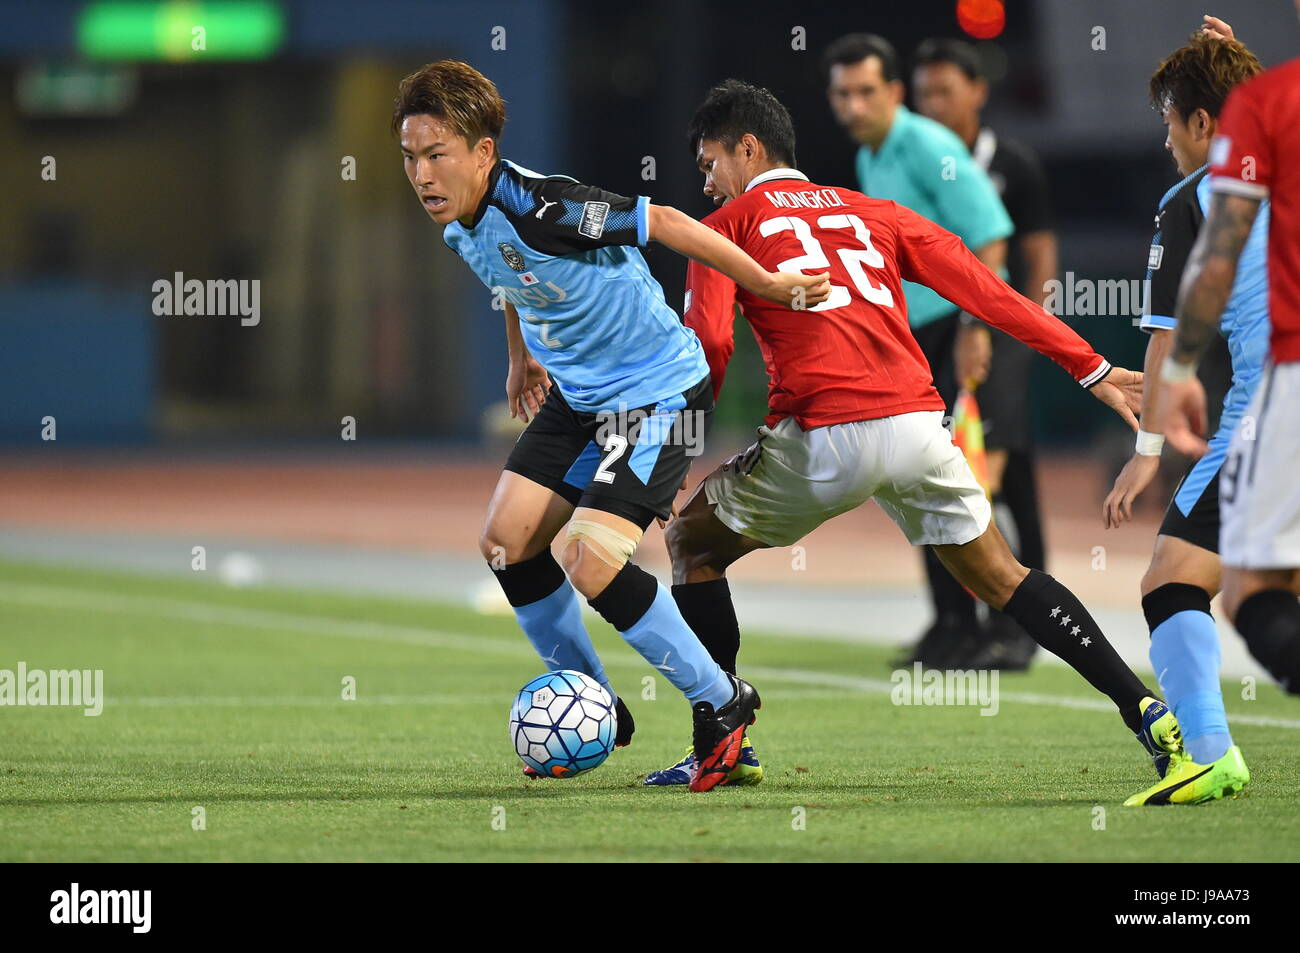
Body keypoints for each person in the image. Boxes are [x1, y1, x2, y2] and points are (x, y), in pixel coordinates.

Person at [643, 79, 1183, 789]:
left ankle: (722, 742)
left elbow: (710, 345)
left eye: (710, 163)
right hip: (918, 429)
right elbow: (989, 291)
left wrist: (668, 452)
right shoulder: (876, 213)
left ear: (748, 148)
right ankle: (1145, 708)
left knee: (690, 542)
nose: (708, 183)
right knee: (1005, 577)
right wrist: (1092, 368)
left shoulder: (722, 229)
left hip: (823, 437)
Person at [392, 60, 830, 791]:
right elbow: (508, 276)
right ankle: (593, 701)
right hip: (579, 392)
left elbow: (666, 222)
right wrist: (520, 358)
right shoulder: (455, 219)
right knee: (506, 542)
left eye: (437, 154)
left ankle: (723, 701)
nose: (422, 174)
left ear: (483, 153)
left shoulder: (543, 204)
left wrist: (769, 281)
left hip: (659, 390)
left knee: (589, 557)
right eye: (410, 156)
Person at [1103, 27, 1265, 806]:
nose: (1168, 141)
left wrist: (1146, 448)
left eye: (1173, 121)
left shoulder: (1195, 200)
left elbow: (1169, 345)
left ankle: (1209, 756)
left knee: (1171, 577)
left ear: (1203, 124)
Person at [823, 32, 1014, 668]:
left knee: (982, 482)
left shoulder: (929, 145)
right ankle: (952, 623)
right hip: (914, 339)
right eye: (843, 94)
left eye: (867, 92)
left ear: (895, 93)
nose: (854, 106)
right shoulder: (872, 158)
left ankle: (1003, 629)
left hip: (961, 329)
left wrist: (975, 327)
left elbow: (989, 238)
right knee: (918, 478)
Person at [1161, 12, 1300, 710]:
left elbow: (1217, 263)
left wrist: (1180, 372)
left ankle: (1209, 751)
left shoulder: (1262, 118)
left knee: (1221, 586)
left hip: (1283, 384)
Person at [911, 36, 1058, 670]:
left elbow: (1039, 251)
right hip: (931, 332)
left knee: (988, 475)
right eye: (923, 94)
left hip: (998, 330)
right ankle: (955, 623)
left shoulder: (1012, 163)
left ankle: (1020, 625)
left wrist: (1033, 327)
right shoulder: (911, 158)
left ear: (978, 92)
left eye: (945, 90)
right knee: (933, 467)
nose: (933, 104)